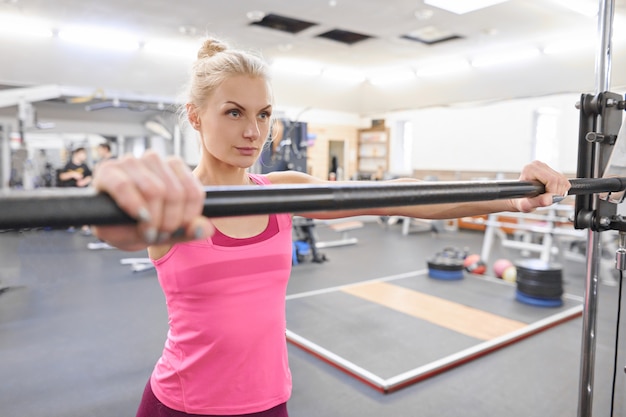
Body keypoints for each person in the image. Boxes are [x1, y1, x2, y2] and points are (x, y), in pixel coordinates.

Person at [92, 38, 571, 417]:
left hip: (268, 401)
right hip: (183, 405)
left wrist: (513, 194)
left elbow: (404, 198)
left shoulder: (283, 190)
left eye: (263, 115)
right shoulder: (179, 201)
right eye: (233, 112)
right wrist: (107, 203)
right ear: (196, 116)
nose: (253, 131)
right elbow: (122, 232)